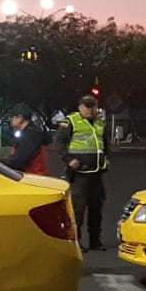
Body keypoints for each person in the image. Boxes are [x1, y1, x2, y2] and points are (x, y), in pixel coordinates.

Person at [53, 95, 109, 251]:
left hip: (96, 172)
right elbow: (59, 143)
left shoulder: (100, 121)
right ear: (80, 107)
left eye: (93, 106)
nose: (90, 109)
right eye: (87, 106)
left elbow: (105, 142)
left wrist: (107, 159)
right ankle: (76, 242)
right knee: (78, 209)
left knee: (96, 208)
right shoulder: (70, 121)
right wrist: (68, 159)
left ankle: (95, 241)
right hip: (79, 174)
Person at [2, 104, 48, 175]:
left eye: (12, 117)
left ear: (20, 118)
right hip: (32, 178)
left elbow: (19, 161)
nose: (10, 120)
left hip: (32, 179)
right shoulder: (31, 132)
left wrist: (0, 163)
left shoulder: (30, 135)